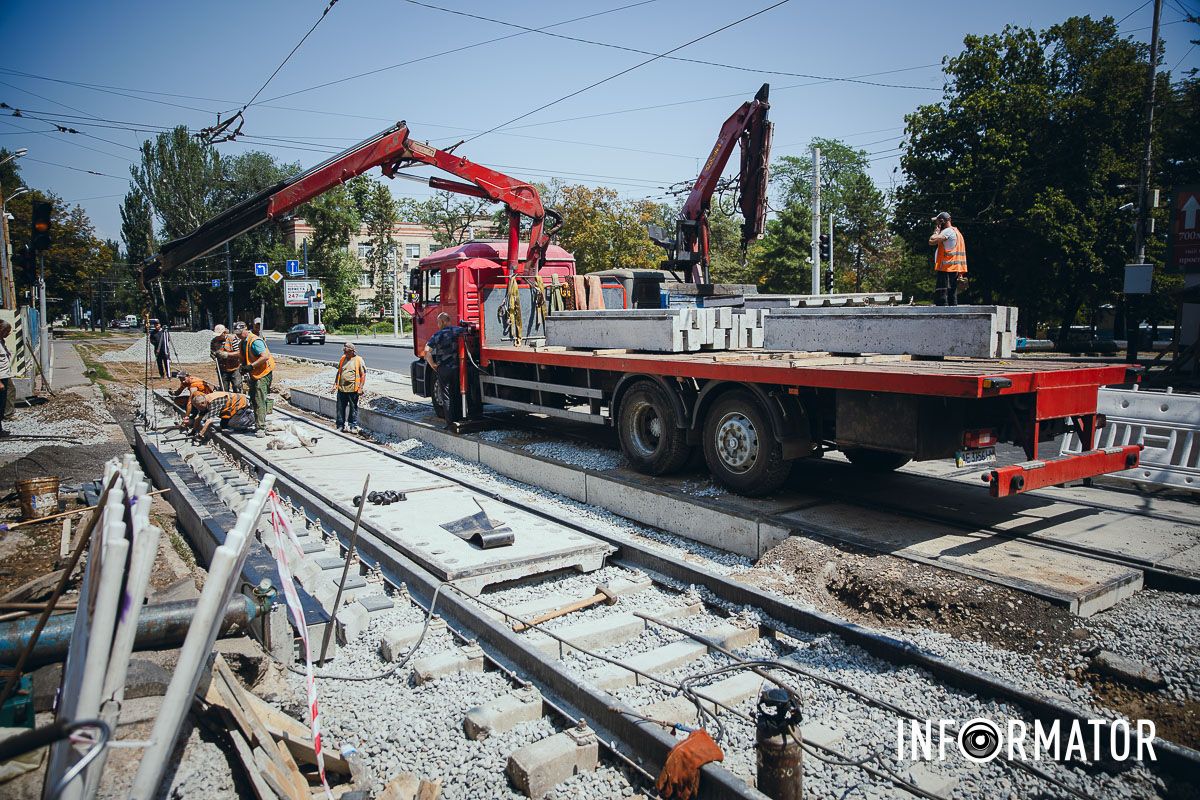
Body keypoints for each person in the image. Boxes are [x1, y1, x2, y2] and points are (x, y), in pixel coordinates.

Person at [422, 312, 470, 429]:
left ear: (442, 322)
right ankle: (460, 419)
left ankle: (450, 423)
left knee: (446, 395)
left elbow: (426, 351)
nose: (438, 325)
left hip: (443, 368)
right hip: (458, 368)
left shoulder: (437, 335)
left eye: (438, 322)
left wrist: (432, 364)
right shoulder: (459, 331)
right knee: (458, 393)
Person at [236, 321, 275, 438]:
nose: (238, 335)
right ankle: (259, 422)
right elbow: (244, 358)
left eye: (240, 333)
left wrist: (251, 366)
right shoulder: (242, 342)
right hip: (254, 373)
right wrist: (243, 367)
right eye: (237, 333)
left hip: (263, 373)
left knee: (259, 400)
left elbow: (265, 356)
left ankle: (260, 427)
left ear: (245, 329)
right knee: (253, 399)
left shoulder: (255, 341)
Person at [928, 211, 967, 306]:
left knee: (942, 295)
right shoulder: (957, 232)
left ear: (942, 221)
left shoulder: (947, 231)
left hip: (946, 269)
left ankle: (942, 314)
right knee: (951, 295)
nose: (936, 225)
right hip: (954, 269)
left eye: (937, 222)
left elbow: (931, 241)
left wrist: (936, 232)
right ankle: (953, 313)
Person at [182, 391, 254, 439]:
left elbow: (209, 421)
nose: (199, 409)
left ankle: (251, 417)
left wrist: (201, 434)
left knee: (232, 424)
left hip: (239, 402)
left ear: (203, 403)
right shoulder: (204, 402)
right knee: (223, 426)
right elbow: (199, 418)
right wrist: (193, 432)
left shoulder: (214, 402)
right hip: (228, 406)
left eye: (199, 407)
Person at [334, 342, 366, 432]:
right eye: (344, 351)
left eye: (346, 351)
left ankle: (352, 426)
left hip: (353, 389)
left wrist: (360, 388)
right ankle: (340, 425)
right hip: (341, 389)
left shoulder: (358, 360)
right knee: (340, 408)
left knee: (353, 408)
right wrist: (335, 384)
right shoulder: (343, 358)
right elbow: (339, 372)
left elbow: (363, 375)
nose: (345, 353)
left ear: (352, 351)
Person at [210, 324, 243, 393]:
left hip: (234, 368)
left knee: (237, 387)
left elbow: (239, 353)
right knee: (224, 389)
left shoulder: (232, 339)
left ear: (224, 333)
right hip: (222, 369)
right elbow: (212, 352)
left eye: (219, 335)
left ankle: (238, 398)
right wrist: (213, 355)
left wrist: (227, 354)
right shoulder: (214, 341)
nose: (218, 337)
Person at [0, 321, 13, 438]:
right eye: (7, 331)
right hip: (1, 378)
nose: (9, 334)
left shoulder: (1, 342)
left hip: (4, 375)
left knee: (3, 403)